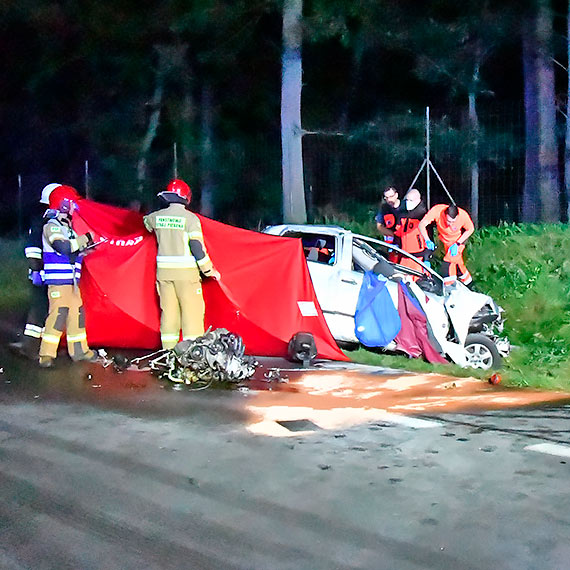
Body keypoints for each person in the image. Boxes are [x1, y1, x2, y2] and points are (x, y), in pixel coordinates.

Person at [143, 179, 221, 349]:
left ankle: (168, 355)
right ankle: (192, 357)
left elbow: (146, 223)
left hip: (164, 276)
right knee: (192, 317)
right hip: (187, 277)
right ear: (186, 197)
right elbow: (196, 247)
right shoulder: (190, 219)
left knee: (169, 316)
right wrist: (209, 270)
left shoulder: (157, 217)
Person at [38, 189, 99, 368]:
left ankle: (80, 352)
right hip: (58, 283)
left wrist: (84, 251)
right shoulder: (52, 226)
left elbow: (71, 251)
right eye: (72, 203)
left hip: (71, 282)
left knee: (77, 316)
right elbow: (62, 247)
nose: (75, 207)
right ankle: (46, 355)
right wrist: (85, 239)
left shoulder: (67, 228)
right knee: (57, 316)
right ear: (63, 204)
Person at [10, 183, 61, 358]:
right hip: (46, 273)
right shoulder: (45, 222)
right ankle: (33, 347)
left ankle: (30, 343)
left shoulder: (43, 220)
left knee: (40, 307)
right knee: (43, 308)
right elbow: (33, 248)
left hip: (44, 272)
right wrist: (37, 269)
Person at [419, 203, 475, 286]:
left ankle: (449, 286)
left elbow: (470, 229)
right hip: (446, 242)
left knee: (448, 263)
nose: (450, 224)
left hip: (458, 242)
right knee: (458, 265)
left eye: (453, 222)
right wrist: (427, 240)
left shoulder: (463, 215)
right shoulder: (437, 211)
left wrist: (458, 243)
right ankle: (469, 284)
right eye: (448, 221)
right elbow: (421, 225)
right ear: (445, 215)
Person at [394, 188, 430, 274]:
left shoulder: (423, 216)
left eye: (411, 200)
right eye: (407, 199)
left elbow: (429, 239)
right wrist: (395, 244)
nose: (408, 202)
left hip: (418, 258)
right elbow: (398, 232)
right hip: (404, 256)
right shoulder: (402, 214)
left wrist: (426, 258)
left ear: (418, 200)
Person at [375, 186, 401, 262]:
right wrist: (393, 235)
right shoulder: (384, 209)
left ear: (396, 195)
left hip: (406, 243)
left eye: (391, 196)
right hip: (392, 245)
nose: (389, 199)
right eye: (386, 198)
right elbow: (379, 226)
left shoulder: (405, 207)